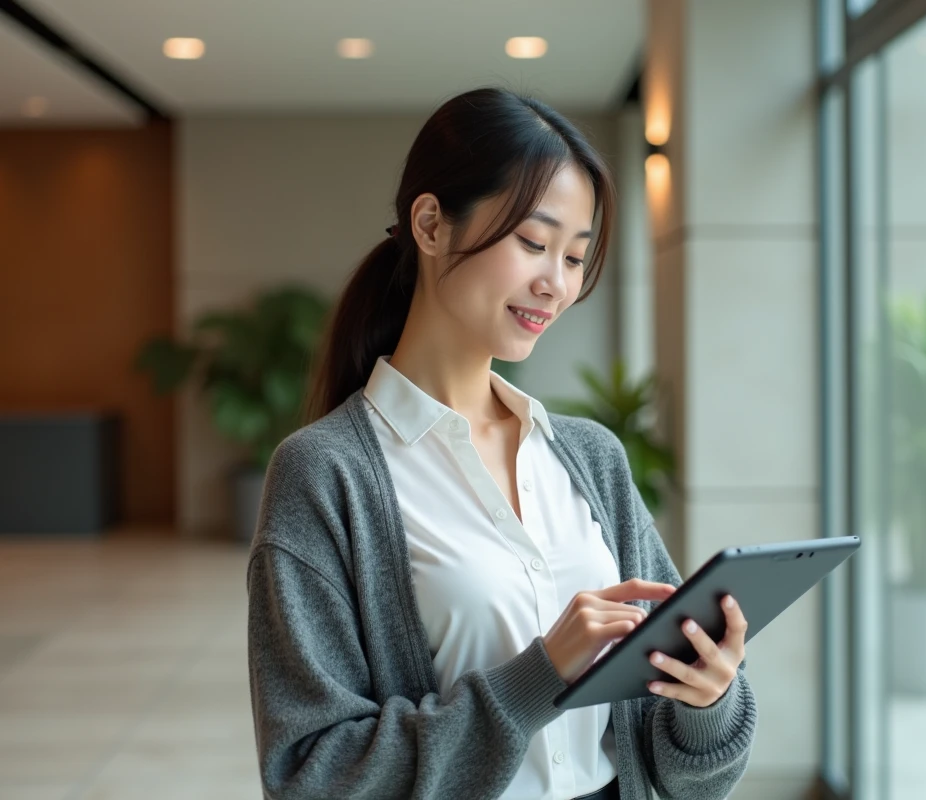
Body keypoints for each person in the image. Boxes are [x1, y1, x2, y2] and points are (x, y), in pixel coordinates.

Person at [246, 87, 757, 800]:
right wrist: (537, 676)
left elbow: (681, 769)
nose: (556, 283)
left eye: (576, 257)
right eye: (532, 243)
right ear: (430, 224)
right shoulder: (325, 473)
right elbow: (312, 774)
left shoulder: (589, 456)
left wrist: (707, 699)